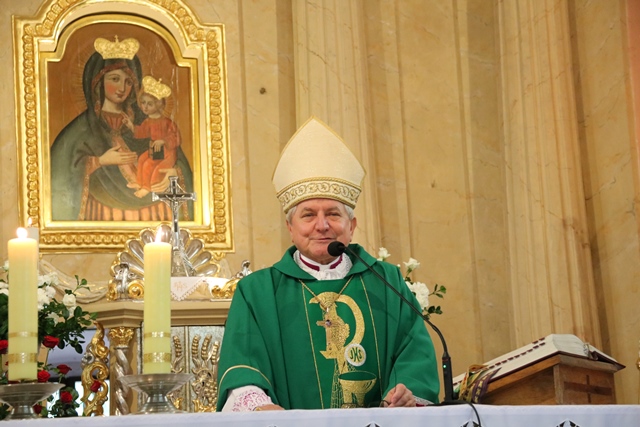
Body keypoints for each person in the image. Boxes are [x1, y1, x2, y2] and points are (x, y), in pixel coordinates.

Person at [216, 117, 440, 411]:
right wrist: (260, 407)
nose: (322, 225)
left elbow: (415, 355)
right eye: (308, 215)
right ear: (290, 228)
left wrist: (406, 395)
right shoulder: (257, 292)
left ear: (352, 226)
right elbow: (242, 366)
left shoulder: (386, 281)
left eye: (333, 214)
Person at [50, 36, 193, 221]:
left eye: (128, 82)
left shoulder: (147, 122)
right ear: (98, 82)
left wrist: (173, 173)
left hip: (155, 213)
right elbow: (60, 171)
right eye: (115, 79)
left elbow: (176, 157)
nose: (122, 88)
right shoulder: (82, 129)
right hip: (104, 212)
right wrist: (100, 161)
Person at [123, 76, 182, 198]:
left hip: (167, 153)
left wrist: (163, 141)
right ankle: (140, 183)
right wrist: (131, 126)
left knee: (149, 164)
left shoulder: (167, 122)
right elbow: (141, 132)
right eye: (143, 103)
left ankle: (147, 188)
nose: (145, 107)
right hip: (155, 150)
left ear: (159, 105)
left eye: (149, 104)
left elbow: (176, 138)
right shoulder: (148, 121)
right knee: (141, 159)